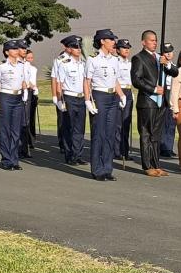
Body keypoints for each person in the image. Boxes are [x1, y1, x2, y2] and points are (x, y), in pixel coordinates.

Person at [131, 30, 179, 177]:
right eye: (151, 40)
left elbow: (175, 72)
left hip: (161, 103)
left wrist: (168, 64)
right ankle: (147, 166)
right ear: (143, 42)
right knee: (146, 133)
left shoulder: (160, 58)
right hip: (148, 101)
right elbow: (136, 80)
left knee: (156, 135)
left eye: (156, 40)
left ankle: (156, 164)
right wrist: (152, 89)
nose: (154, 43)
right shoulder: (138, 58)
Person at [83, 30, 126, 181]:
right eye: (110, 39)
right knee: (99, 134)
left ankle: (107, 168)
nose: (114, 42)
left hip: (112, 96)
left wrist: (121, 95)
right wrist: (88, 100)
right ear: (102, 41)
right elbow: (87, 81)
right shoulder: (93, 59)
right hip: (99, 96)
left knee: (110, 134)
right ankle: (97, 169)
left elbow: (115, 80)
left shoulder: (115, 60)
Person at [0, 40, 27, 170]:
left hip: (18, 98)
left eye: (18, 49)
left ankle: (14, 159)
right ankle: (6, 160)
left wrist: (25, 91)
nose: (17, 51)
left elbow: (23, 81)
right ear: (7, 52)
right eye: (14, 49)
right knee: (5, 130)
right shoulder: (0, 66)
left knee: (16, 131)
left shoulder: (22, 65)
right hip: (5, 97)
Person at [54, 35, 87, 165]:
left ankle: (78, 155)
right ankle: (70, 155)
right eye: (75, 47)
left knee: (80, 129)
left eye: (79, 47)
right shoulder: (64, 64)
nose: (78, 49)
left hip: (81, 98)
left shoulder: (84, 64)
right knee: (69, 127)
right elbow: (59, 84)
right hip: (69, 97)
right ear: (69, 49)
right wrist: (60, 99)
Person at [115, 39, 134, 160]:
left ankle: (125, 151)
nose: (126, 50)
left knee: (126, 123)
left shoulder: (130, 63)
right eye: (123, 47)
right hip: (119, 91)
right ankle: (117, 151)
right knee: (118, 124)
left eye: (128, 47)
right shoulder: (115, 62)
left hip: (128, 91)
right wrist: (121, 95)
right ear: (117, 50)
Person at [51, 39, 70, 158]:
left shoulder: (80, 59)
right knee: (63, 120)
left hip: (76, 95)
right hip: (62, 93)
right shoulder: (60, 59)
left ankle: (72, 145)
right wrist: (55, 96)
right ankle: (63, 143)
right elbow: (54, 78)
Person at [159, 43, 177, 158]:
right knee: (162, 123)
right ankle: (162, 147)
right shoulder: (160, 66)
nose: (168, 53)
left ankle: (169, 147)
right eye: (166, 52)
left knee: (171, 123)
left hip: (172, 93)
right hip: (163, 93)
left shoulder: (174, 67)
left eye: (170, 51)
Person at [25, 49, 39, 151]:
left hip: (33, 92)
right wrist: (32, 86)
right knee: (26, 118)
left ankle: (32, 139)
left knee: (31, 117)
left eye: (31, 57)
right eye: (28, 57)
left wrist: (35, 88)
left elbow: (34, 81)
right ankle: (26, 140)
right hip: (26, 91)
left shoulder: (33, 68)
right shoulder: (23, 67)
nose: (30, 59)